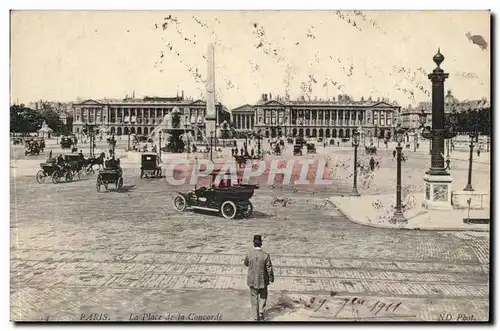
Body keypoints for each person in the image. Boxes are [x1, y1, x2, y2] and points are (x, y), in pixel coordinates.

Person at [244, 235, 274, 321]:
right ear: (261, 243)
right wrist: (271, 278)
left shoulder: (249, 253)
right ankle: (261, 311)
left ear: (253, 243)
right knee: (263, 296)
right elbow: (269, 268)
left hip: (252, 280)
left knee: (254, 298)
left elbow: (246, 263)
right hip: (263, 280)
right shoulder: (265, 255)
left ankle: (255, 317)